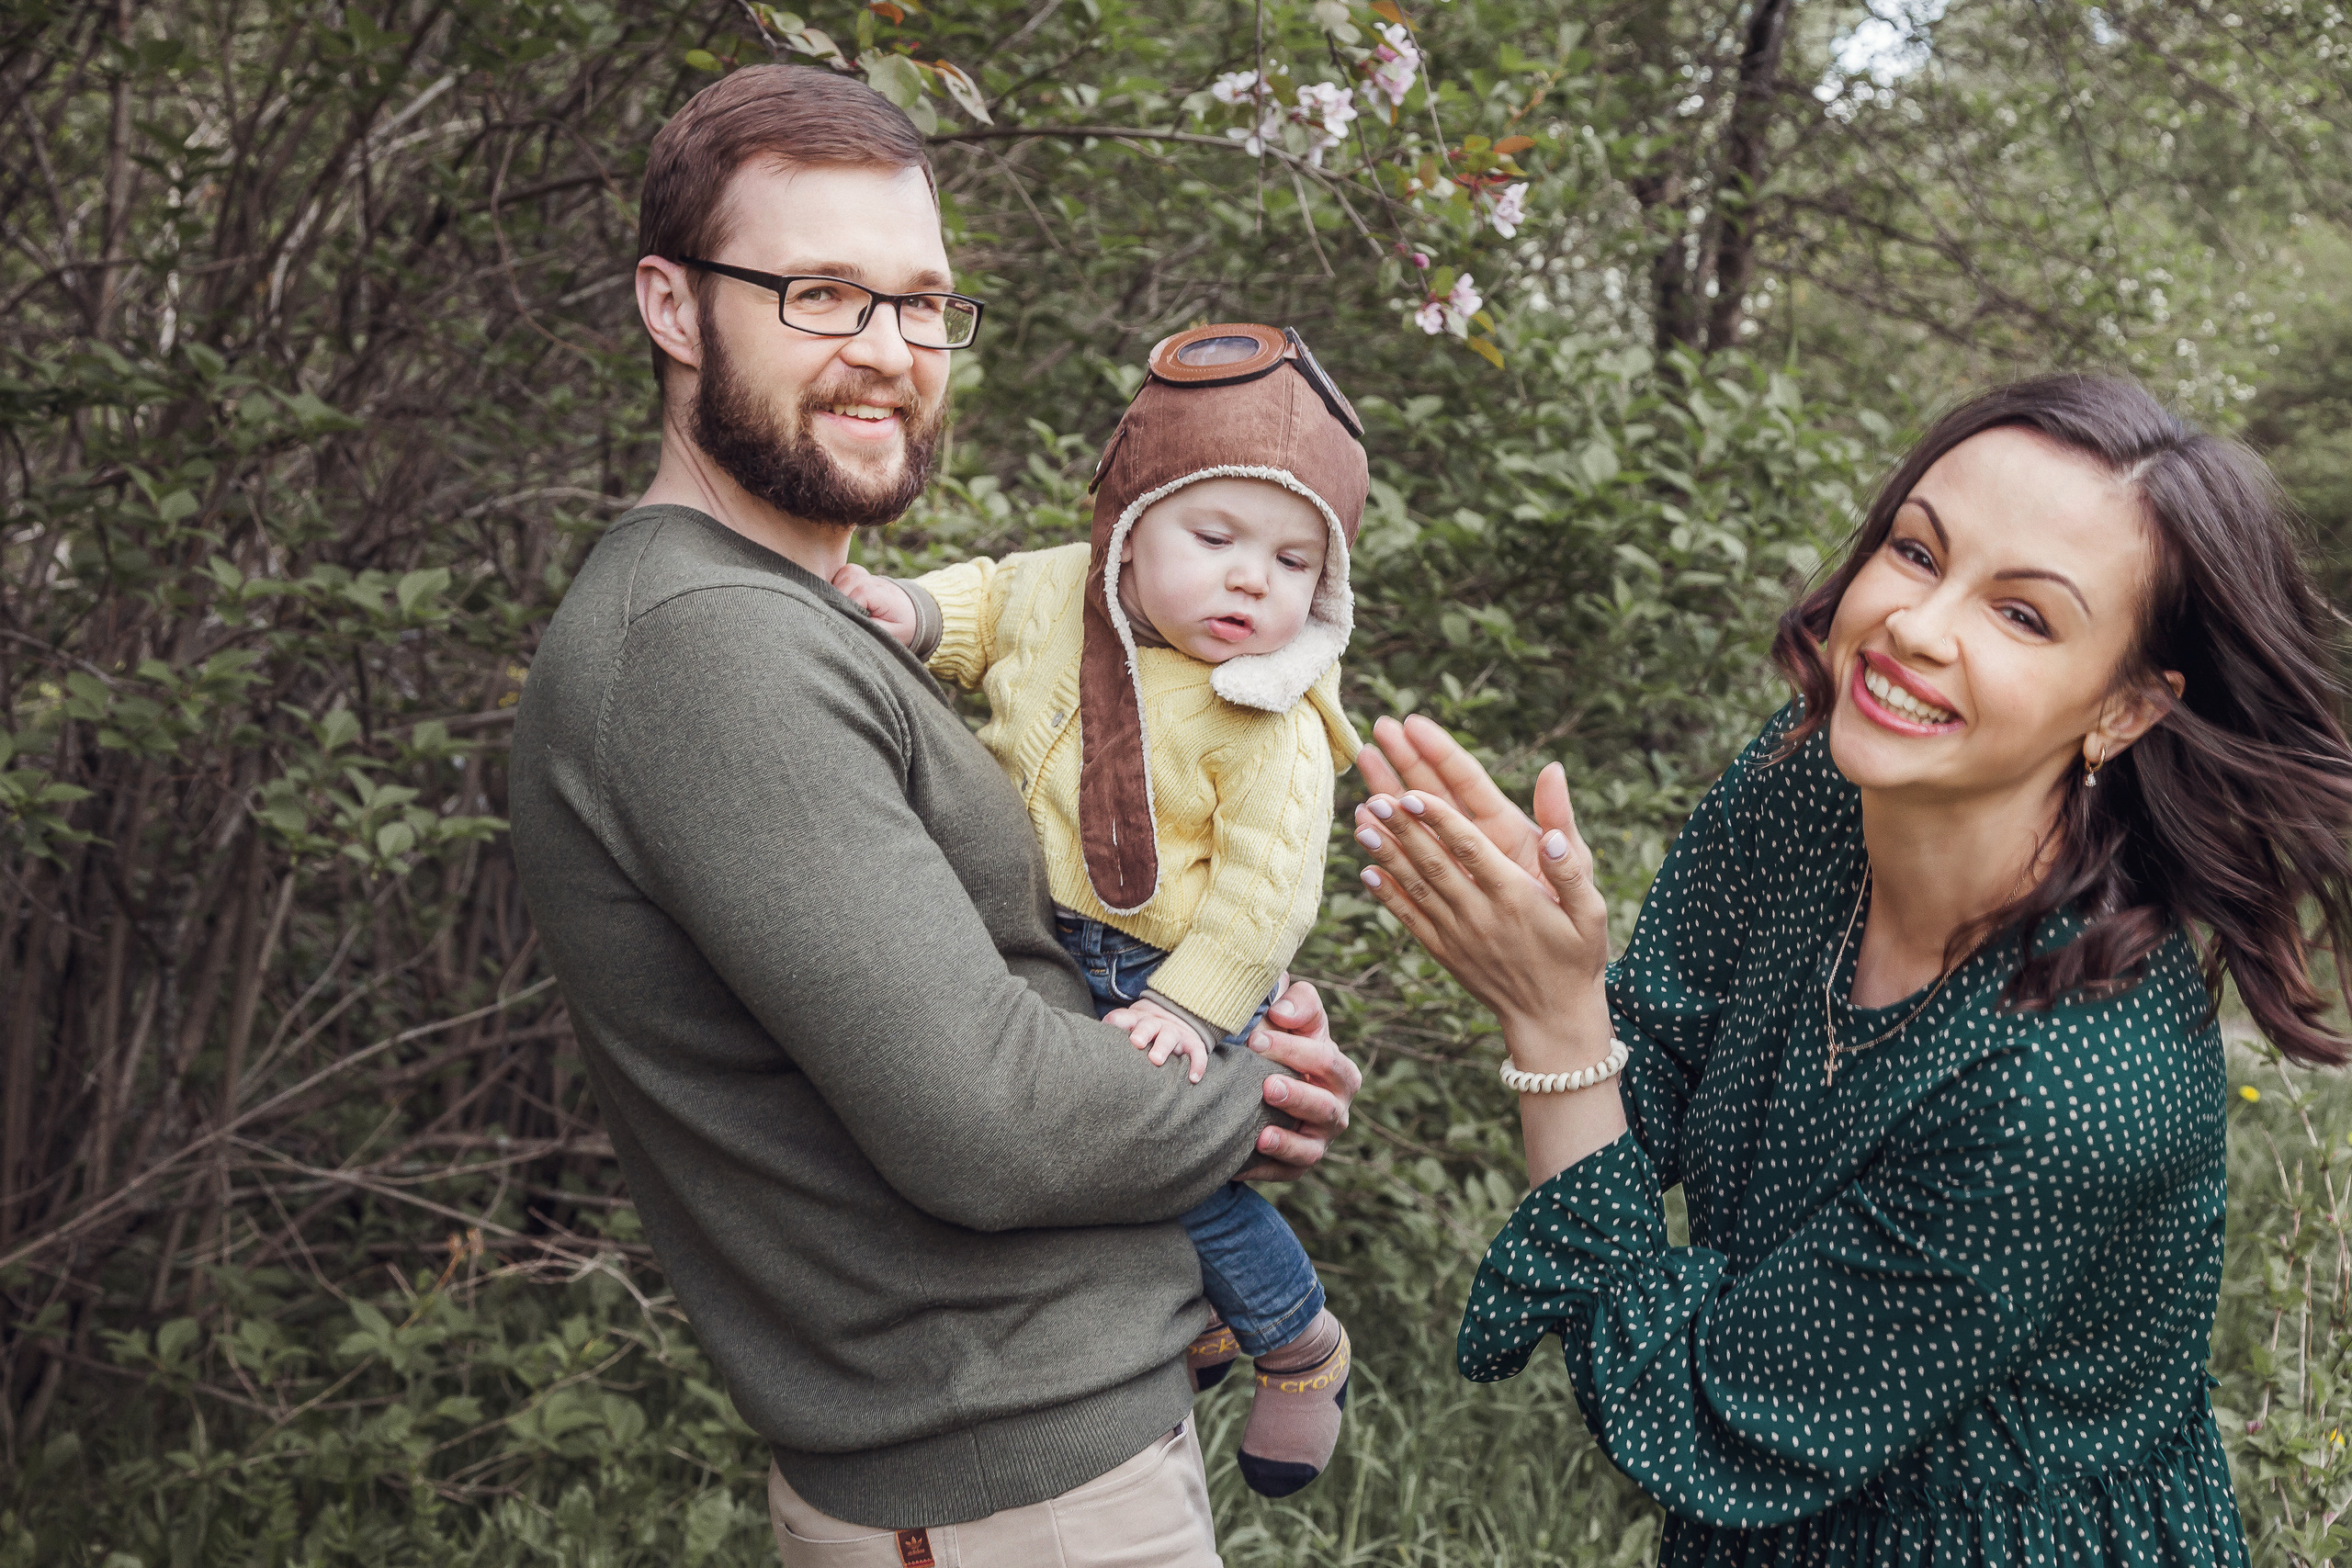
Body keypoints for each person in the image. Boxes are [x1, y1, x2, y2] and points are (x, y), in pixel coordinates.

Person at [508, 64, 1361, 1566]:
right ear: (669, 303)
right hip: (1005, 1495)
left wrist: (1220, 1035)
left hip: (1036, 1462)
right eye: (821, 294)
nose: (888, 352)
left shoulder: (794, 615)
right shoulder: (711, 643)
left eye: (922, 304)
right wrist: (1242, 1094)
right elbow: (992, 1122)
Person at [1343, 374, 2352, 1562]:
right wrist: (1553, 961)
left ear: (2124, 710)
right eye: (1917, 550)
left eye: (2024, 615)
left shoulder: (2072, 1091)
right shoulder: (1812, 779)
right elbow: (1656, 1049)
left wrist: (1553, 1021)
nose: (1917, 626)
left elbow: (1697, 1409)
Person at [836, 321, 1370, 1497]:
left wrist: (1193, 1005)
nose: (1249, 579)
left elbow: (1264, 895)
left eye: (1292, 564)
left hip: (1168, 970)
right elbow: (980, 607)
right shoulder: (1061, 592)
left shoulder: (1265, 715)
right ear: (1131, 525)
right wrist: (908, 613)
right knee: (1090, 1169)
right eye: (1215, 535)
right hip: (1050, 942)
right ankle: (1211, 1321)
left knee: (1176, 1173)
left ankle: (1297, 1340)